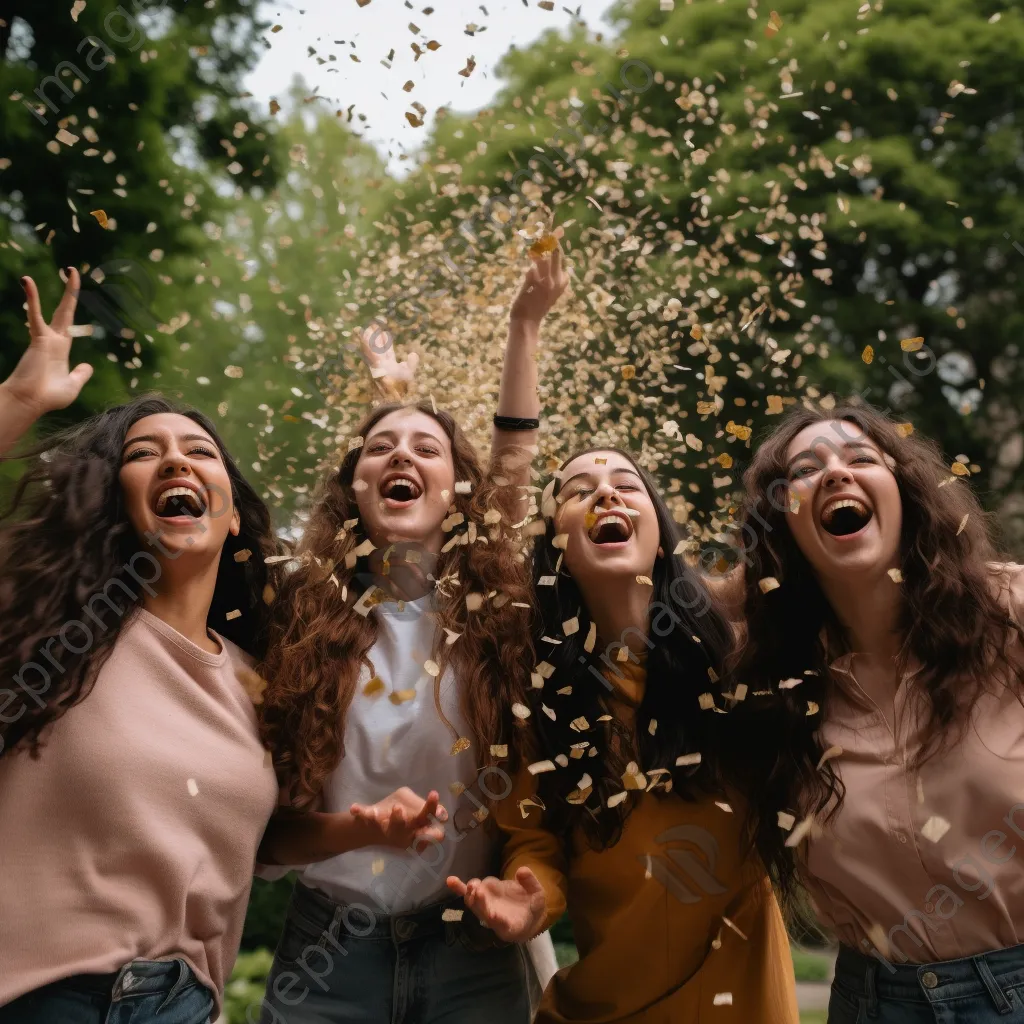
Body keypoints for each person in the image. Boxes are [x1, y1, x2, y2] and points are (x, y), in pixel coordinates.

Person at [0, 271, 442, 1024]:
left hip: (187, 1007)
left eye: (199, 452)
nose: (176, 462)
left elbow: (258, 839)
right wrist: (18, 404)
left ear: (232, 515)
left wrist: (363, 829)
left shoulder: (256, 679)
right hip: (42, 998)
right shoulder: (45, 628)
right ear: (114, 498)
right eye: (146, 454)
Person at [254, 250, 569, 1023]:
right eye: (380, 450)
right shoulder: (298, 616)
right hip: (327, 948)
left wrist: (524, 325)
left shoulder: (495, 612)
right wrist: (359, 831)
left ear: (462, 491)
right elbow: (270, 839)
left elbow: (513, 460)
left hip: (469, 939)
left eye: (427, 450)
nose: (401, 456)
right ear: (350, 486)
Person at [447, 446, 801, 1023]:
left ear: (661, 536)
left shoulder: (736, 660)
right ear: (554, 548)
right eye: (577, 490)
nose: (605, 494)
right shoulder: (537, 696)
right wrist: (530, 898)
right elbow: (534, 842)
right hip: (601, 1010)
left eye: (626, 485)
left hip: (744, 1004)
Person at [726, 400, 1024, 1024]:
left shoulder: (1010, 613)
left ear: (908, 494)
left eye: (860, 458)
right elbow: (635, 597)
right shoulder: (766, 682)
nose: (836, 474)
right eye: (805, 470)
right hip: (873, 1003)